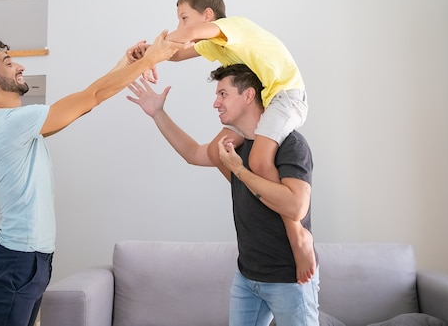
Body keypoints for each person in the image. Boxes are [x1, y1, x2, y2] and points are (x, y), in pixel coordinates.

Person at [0, 31, 180, 326]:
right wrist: (151, 58)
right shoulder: (11, 123)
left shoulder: (21, 127)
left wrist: (125, 63)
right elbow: (91, 97)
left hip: (31, 260)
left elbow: (88, 99)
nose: (20, 66)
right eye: (9, 63)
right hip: (17, 262)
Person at [128, 0, 314, 283]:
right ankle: (271, 207)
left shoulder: (232, 27)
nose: (180, 25)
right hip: (250, 270)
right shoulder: (217, 45)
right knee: (241, 159)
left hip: (285, 96)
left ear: (208, 15)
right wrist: (145, 54)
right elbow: (176, 55)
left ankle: (298, 236)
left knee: (259, 159)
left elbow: (184, 37)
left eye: (184, 17)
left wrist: (158, 45)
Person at [126, 64, 318, 326]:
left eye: (223, 94)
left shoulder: (290, 144)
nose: (216, 103)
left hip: (289, 278)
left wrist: (239, 169)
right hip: (247, 276)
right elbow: (193, 153)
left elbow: (296, 206)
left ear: (249, 96)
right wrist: (158, 113)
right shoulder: (233, 144)